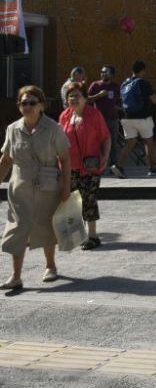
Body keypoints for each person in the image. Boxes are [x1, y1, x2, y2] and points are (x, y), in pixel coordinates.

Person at [1, 86, 72, 290]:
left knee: (44, 225)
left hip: (47, 185)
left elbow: (65, 159)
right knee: (18, 228)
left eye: (32, 103)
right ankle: (15, 276)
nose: (28, 106)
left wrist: (66, 188)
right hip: (20, 186)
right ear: (19, 106)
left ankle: (50, 266)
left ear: (41, 105)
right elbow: (6, 160)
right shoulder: (12, 129)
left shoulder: (53, 128)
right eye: (24, 103)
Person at [59, 82, 110, 249]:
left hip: (91, 166)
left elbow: (105, 137)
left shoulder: (94, 115)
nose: (73, 98)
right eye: (70, 96)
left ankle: (93, 237)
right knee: (73, 201)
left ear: (85, 98)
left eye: (77, 95)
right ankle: (77, 235)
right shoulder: (64, 116)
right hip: (70, 166)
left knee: (89, 199)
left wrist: (105, 155)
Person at [113, 60, 156, 177]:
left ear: (132, 70)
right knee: (149, 142)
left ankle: (118, 166)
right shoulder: (143, 83)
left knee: (130, 143)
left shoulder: (125, 84)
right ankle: (152, 168)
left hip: (127, 118)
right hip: (143, 117)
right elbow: (154, 100)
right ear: (143, 70)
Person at [88, 65, 123, 176]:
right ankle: (98, 167)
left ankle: (113, 167)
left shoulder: (116, 86)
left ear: (112, 74)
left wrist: (119, 108)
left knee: (113, 144)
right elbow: (86, 99)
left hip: (113, 119)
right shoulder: (95, 85)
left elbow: (121, 101)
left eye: (106, 72)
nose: (103, 74)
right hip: (98, 121)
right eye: (102, 72)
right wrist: (99, 95)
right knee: (98, 144)